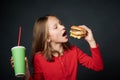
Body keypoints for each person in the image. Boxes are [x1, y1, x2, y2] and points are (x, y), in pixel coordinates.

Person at [11, 14, 104, 80]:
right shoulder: (39, 58)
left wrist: (91, 41)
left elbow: (98, 66)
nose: (63, 27)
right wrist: (26, 73)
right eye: (56, 27)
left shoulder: (74, 51)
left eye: (61, 24)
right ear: (47, 38)